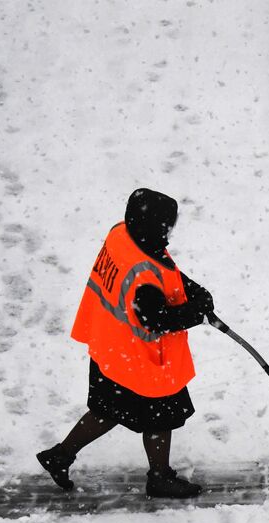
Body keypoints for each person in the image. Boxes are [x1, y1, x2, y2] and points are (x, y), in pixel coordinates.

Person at [38, 189, 213, 498]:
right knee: (160, 414)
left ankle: (60, 456)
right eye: (167, 226)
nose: (170, 232)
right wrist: (195, 311)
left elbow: (162, 269)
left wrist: (190, 288)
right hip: (142, 360)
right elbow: (156, 320)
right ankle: (159, 478)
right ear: (154, 227)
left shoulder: (123, 235)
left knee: (110, 409)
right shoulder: (144, 275)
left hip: (112, 347)